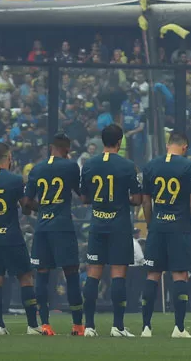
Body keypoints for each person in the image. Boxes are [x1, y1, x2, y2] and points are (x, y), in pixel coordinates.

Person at [79, 124, 143, 336]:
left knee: (93, 274)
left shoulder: (89, 164)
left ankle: (88, 326)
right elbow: (136, 199)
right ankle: (117, 326)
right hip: (119, 226)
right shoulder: (127, 166)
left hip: (97, 224)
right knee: (118, 274)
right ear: (119, 142)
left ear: (102, 141)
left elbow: (84, 198)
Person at [139, 130, 191, 338]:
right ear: (184, 147)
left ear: (168, 145)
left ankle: (146, 327)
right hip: (180, 227)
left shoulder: (150, 166)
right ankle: (179, 328)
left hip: (158, 226)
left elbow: (146, 201)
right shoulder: (188, 166)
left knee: (152, 274)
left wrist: (151, 225)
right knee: (179, 275)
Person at [0, 142, 41, 335]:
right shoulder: (14, 180)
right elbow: (26, 207)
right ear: (8, 157)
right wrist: (41, 205)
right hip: (12, 236)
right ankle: (32, 325)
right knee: (25, 277)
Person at [22, 133, 83, 335]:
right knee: (72, 273)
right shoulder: (70, 166)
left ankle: (45, 325)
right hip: (63, 226)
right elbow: (81, 195)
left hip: (42, 228)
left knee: (42, 275)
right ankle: (78, 326)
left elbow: (27, 203)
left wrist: (44, 209)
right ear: (67, 149)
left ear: (50, 147)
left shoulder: (36, 168)